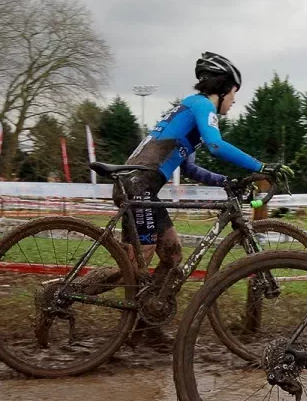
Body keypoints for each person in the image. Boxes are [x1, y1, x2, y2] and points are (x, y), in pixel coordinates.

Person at [116, 52, 288, 281]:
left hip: (140, 186)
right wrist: (261, 166)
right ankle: (75, 294)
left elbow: (190, 169)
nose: (234, 101)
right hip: (137, 186)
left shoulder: (191, 109)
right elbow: (216, 145)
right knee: (134, 268)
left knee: (173, 256)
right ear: (224, 89)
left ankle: (151, 310)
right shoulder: (203, 105)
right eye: (234, 94)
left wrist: (224, 181)